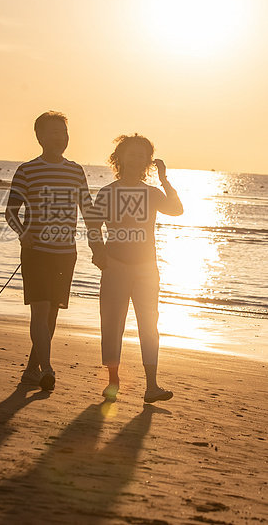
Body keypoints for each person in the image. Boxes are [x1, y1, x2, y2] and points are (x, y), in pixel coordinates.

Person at [5, 111, 96, 391]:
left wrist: (99, 243)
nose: (61, 137)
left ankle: (32, 370)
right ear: (40, 137)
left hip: (66, 252)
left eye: (64, 132)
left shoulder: (75, 170)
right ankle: (47, 369)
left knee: (52, 313)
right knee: (40, 311)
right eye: (54, 132)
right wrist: (23, 234)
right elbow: (10, 212)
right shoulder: (27, 170)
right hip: (36, 253)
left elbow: (88, 209)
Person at [90, 133, 183, 404]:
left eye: (141, 155)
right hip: (115, 265)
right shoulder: (107, 192)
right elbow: (94, 226)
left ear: (147, 162)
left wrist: (164, 179)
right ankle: (113, 381)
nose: (136, 159)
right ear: (119, 158)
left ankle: (151, 386)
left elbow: (177, 209)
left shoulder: (152, 193)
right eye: (131, 154)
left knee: (149, 325)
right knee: (112, 324)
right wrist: (98, 252)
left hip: (146, 267)